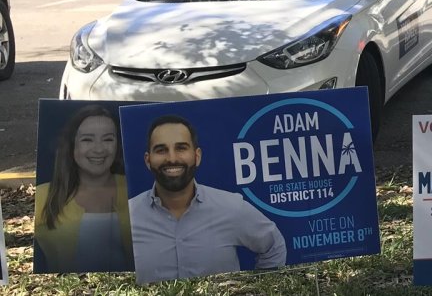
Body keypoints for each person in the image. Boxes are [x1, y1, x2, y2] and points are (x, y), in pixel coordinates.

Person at [129, 115, 286, 283]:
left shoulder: (231, 207)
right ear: (148, 160)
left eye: (181, 148)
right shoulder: (127, 217)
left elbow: (273, 246)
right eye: (161, 150)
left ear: (197, 156)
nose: (172, 158)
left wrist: (260, 288)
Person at [34, 104, 134, 273]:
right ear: (72, 145)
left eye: (108, 139)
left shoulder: (136, 190)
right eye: (87, 139)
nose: (99, 149)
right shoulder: (43, 196)